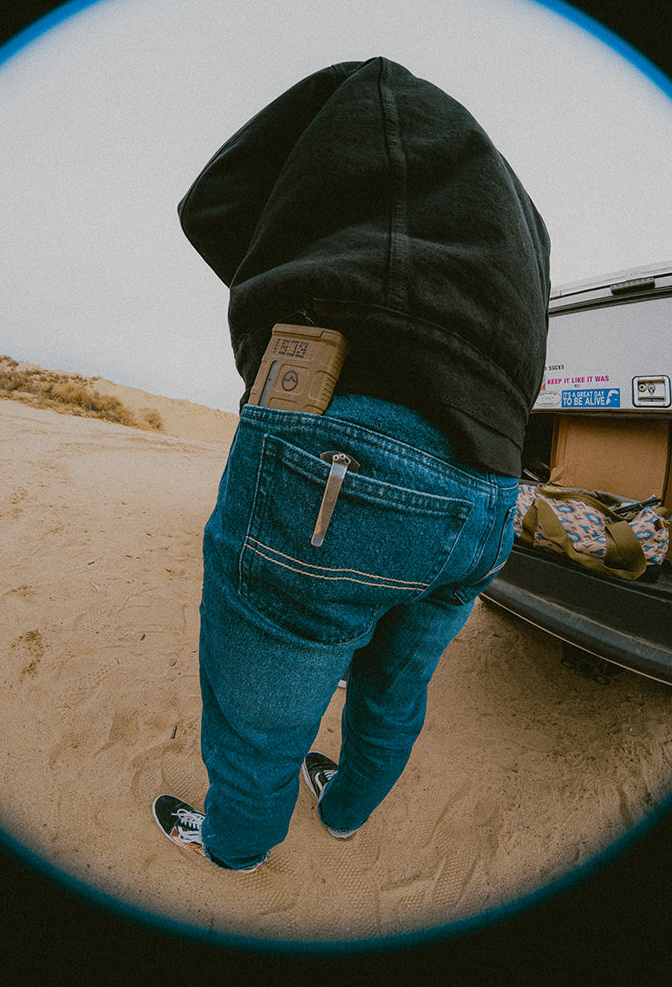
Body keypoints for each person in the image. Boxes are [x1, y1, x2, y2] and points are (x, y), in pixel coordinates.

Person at [153, 57, 550, 872]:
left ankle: (235, 846)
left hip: (347, 442)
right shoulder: (520, 216)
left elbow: (215, 203)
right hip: (490, 487)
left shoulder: (368, 96)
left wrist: (289, 297)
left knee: (261, 708)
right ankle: (344, 813)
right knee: (396, 686)